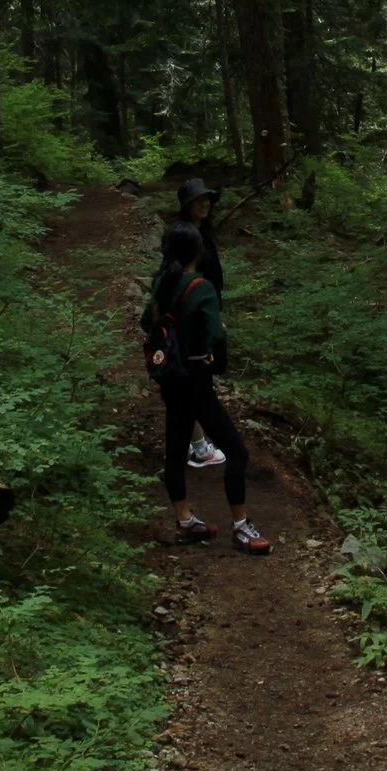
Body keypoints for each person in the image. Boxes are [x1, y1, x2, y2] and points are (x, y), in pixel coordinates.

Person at [142, 222, 271, 553]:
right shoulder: (201, 287)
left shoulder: (161, 281)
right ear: (198, 251)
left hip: (169, 377)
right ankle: (241, 528)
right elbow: (216, 334)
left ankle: (186, 522)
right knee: (236, 451)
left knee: (175, 448)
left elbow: (147, 321)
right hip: (196, 380)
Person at [167, 178, 229, 470]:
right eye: (198, 199)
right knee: (194, 381)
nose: (205, 204)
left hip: (201, 311)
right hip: (192, 318)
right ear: (186, 204)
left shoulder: (199, 231)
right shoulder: (184, 236)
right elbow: (174, 278)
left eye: (208, 199)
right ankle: (198, 447)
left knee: (190, 382)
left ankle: (191, 445)